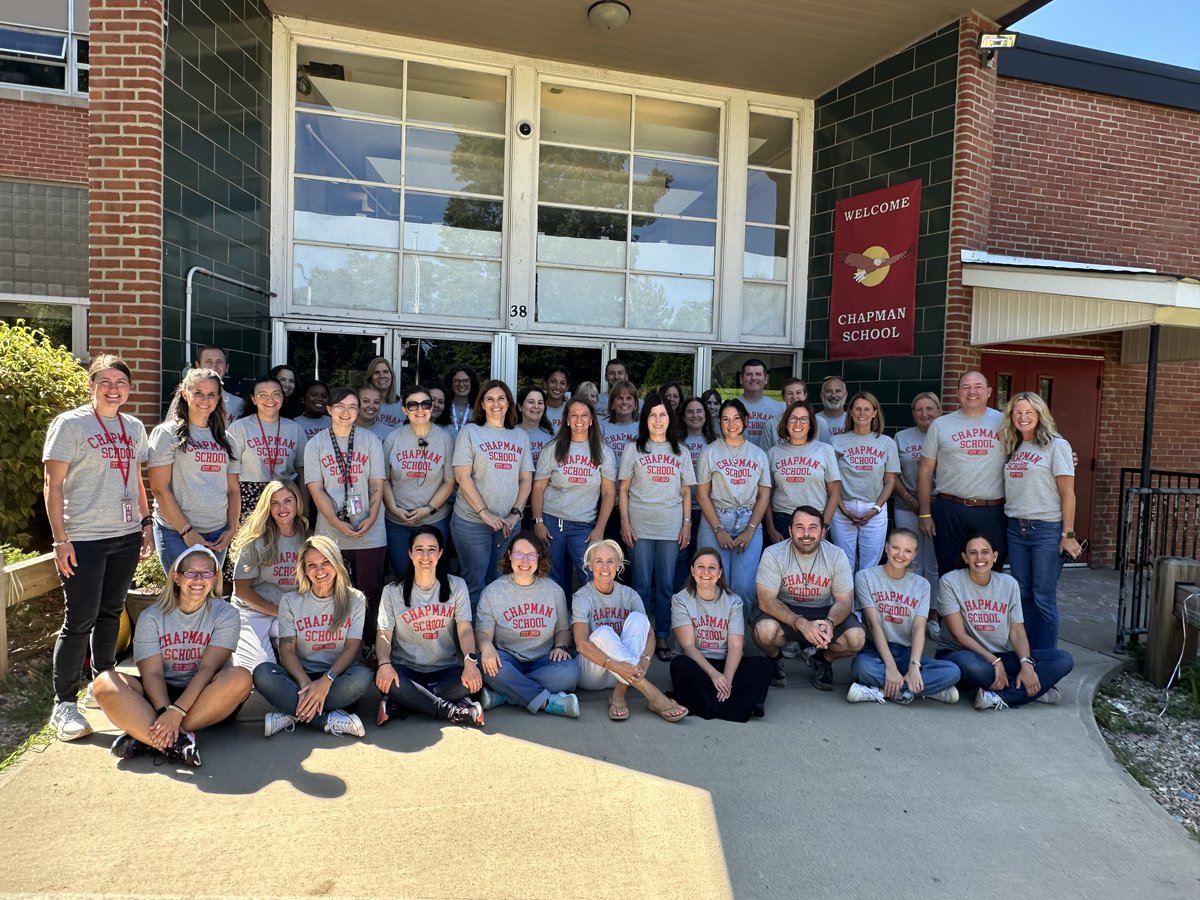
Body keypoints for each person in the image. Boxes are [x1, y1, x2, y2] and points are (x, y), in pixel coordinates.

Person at [43, 355, 153, 741]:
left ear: (129, 389)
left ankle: (101, 683)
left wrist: (145, 523)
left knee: (111, 612)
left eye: (120, 383)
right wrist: (61, 540)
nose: (113, 389)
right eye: (105, 382)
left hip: (125, 535)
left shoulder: (133, 427)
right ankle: (64, 703)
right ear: (91, 385)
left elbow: (136, 479)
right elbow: (53, 484)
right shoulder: (70, 424)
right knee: (80, 619)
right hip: (84, 537)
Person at [94, 546, 251, 767]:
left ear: (215, 577)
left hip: (207, 695)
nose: (199, 579)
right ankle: (176, 742)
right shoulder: (151, 617)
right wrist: (164, 711)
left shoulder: (226, 614)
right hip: (159, 694)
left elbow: (208, 669)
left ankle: (147, 736)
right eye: (191, 572)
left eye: (206, 573)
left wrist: (177, 713)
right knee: (104, 682)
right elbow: (152, 674)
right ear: (177, 578)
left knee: (241, 677)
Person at [936, 534, 1074, 709]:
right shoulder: (950, 582)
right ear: (965, 557)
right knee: (971, 665)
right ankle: (1033, 689)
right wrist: (995, 662)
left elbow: (1017, 632)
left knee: (1062, 659)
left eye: (985, 552)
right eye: (973, 552)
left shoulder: (1008, 584)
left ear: (995, 556)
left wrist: (1026, 664)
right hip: (962, 654)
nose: (979, 558)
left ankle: (998, 695)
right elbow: (959, 635)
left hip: (1000, 655)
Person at [252, 536, 371, 737]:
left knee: (363, 676)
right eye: (312, 565)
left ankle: (292, 713)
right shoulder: (290, 601)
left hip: (337, 678)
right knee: (262, 673)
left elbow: (352, 647)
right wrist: (307, 685)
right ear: (304, 570)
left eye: (326, 562)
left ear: (336, 563)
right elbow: (286, 651)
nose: (320, 570)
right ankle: (326, 720)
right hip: (300, 678)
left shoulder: (355, 599)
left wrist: (326, 681)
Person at [374, 526, 484, 726]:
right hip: (406, 670)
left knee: (473, 679)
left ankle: (406, 702)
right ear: (410, 553)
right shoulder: (392, 591)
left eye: (432, 549)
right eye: (419, 549)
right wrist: (384, 664)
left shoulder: (457, 586)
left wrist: (470, 662)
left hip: (446, 670)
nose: (425, 556)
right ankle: (452, 710)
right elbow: (383, 634)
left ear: (440, 553)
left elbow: (465, 629)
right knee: (386, 678)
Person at [570, 541, 687, 722]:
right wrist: (618, 667)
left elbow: (649, 634)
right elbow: (581, 644)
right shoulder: (582, 596)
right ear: (589, 566)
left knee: (639, 619)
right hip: (594, 673)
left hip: (625, 674)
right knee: (604, 632)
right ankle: (652, 693)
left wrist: (643, 662)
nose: (605, 567)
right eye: (599, 561)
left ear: (619, 565)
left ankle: (619, 693)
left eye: (610, 561)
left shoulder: (630, 595)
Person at [304, 386, 386, 643]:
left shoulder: (370, 440)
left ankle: (368, 644)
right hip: (332, 533)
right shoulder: (315, 444)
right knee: (337, 590)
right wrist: (336, 523)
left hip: (370, 530)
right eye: (340, 406)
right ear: (329, 409)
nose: (346, 412)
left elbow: (377, 483)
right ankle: (339, 643)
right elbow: (316, 489)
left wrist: (371, 518)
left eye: (352, 407)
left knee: (370, 591)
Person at [1001, 391, 1083, 650]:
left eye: (1029, 412)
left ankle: (1046, 659)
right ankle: (1026, 655)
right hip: (1016, 527)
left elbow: (1068, 493)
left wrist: (1068, 534)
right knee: (1022, 596)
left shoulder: (1057, 445)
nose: (1023, 417)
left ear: (1040, 414)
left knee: (1043, 598)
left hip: (1046, 529)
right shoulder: (1012, 445)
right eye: (1017, 412)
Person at [752, 505, 865, 690]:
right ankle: (774, 657)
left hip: (823, 612)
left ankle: (822, 659)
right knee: (764, 631)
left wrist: (830, 623)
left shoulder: (836, 555)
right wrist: (801, 623)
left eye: (813, 528)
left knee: (856, 639)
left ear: (822, 532)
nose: (806, 534)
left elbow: (844, 601)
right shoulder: (773, 553)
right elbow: (766, 601)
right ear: (790, 531)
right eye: (800, 527)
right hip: (784, 611)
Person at [619, 392, 696, 661]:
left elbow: (686, 492)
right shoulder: (633, 449)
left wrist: (686, 525)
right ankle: (641, 637)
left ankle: (662, 635)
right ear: (645, 419)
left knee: (665, 586)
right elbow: (623, 489)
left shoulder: (681, 451)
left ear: (670, 418)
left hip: (670, 527)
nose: (658, 420)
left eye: (663, 414)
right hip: (640, 526)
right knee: (640, 585)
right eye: (652, 415)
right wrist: (625, 523)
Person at [846, 528, 961, 704]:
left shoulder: (922, 585)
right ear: (886, 547)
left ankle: (882, 692)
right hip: (875, 651)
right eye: (895, 548)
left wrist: (914, 667)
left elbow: (919, 628)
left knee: (952, 671)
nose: (900, 555)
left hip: (906, 652)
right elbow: (874, 624)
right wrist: (890, 667)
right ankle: (923, 690)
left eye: (908, 551)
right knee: (861, 667)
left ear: (914, 555)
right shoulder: (865, 577)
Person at [475, 533, 581, 716]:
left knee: (571, 672)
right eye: (519, 554)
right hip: (508, 660)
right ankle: (548, 702)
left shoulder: (553, 590)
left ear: (539, 557)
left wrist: (561, 646)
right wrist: (486, 647)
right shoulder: (492, 592)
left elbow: (563, 630)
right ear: (509, 555)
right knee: (487, 665)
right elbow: (483, 634)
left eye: (531, 555)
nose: (525, 561)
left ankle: (506, 694)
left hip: (544, 659)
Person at [451, 379, 534, 609]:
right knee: (475, 583)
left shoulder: (520, 436)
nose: (496, 404)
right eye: (490, 399)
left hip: (508, 523)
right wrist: (484, 513)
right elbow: (462, 477)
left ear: (509, 403)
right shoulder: (470, 432)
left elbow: (526, 480)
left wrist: (515, 515)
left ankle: (495, 628)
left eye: (501, 398)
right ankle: (472, 630)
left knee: (501, 581)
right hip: (472, 522)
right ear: (482, 405)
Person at [148, 368, 241, 571]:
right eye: (198, 392)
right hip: (176, 532)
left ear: (219, 398)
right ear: (184, 393)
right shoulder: (166, 433)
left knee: (208, 589)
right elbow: (159, 489)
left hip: (217, 533)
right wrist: (187, 531)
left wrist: (232, 528)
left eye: (211, 394)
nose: (205, 400)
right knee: (182, 588)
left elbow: (233, 490)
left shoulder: (226, 439)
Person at [917, 371, 1008, 574]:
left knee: (991, 571)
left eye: (978, 386)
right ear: (958, 393)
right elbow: (925, 470)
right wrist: (924, 513)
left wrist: (1064, 454)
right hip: (949, 509)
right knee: (949, 571)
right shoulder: (940, 425)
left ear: (989, 392)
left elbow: (1033, 442)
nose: (972, 392)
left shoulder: (1005, 423)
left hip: (992, 511)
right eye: (966, 387)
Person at [670, 548, 773, 721]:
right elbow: (687, 647)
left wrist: (727, 680)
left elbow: (736, 645)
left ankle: (705, 704)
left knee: (765, 666)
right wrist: (714, 675)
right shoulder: (681, 600)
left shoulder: (733, 601)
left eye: (712, 567)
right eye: (700, 567)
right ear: (692, 571)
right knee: (679, 665)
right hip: (698, 664)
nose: (706, 572)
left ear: (719, 573)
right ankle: (738, 706)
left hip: (726, 664)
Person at [531, 398, 617, 600]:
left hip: (584, 525)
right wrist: (538, 522)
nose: (579, 420)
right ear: (567, 420)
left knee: (591, 576)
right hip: (552, 522)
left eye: (584, 415)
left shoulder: (603, 452)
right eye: (574, 415)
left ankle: (589, 618)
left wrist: (600, 529)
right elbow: (538, 487)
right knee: (552, 579)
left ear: (591, 419)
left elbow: (608, 493)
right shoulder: (552, 449)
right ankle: (559, 619)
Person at [696, 399, 772, 614]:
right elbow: (702, 495)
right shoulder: (709, 452)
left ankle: (740, 631)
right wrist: (718, 529)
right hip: (715, 519)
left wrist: (750, 530)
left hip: (749, 521)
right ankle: (714, 630)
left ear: (746, 420)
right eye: (725, 419)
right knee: (714, 582)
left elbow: (764, 496)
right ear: (719, 422)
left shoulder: (758, 454)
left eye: (736, 418)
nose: (731, 424)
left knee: (744, 586)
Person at [229, 479, 308, 670]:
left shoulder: (306, 537)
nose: (282, 508)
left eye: (288, 501)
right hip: (252, 612)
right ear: (268, 507)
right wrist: (279, 613)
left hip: (288, 611)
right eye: (275, 503)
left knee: (309, 658)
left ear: (297, 502)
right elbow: (241, 591)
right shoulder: (255, 540)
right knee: (260, 670)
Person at [382, 385, 456, 580]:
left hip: (434, 519)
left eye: (425, 404)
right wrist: (394, 509)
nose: (420, 409)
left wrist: (428, 509)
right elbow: (384, 480)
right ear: (404, 410)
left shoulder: (445, 439)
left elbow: (449, 481)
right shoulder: (393, 438)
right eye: (413, 405)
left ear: (431, 407)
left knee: (433, 574)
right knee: (402, 573)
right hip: (397, 520)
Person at [829, 392, 900, 574]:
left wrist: (876, 509)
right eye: (858, 409)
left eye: (867, 409)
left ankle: (865, 595)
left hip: (874, 508)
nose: (862, 413)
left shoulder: (887, 443)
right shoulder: (836, 441)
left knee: (870, 566)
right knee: (844, 564)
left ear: (875, 412)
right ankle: (847, 595)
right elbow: (831, 481)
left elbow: (890, 481)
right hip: (843, 508)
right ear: (850, 412)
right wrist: (842, 509)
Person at [227, 375, 304, 519]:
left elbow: (302, 473)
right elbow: (231, 476)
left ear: (282, 397)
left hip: (285, 497)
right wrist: (233, 518)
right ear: (253, 399)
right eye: (263, 395)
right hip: (249, 496)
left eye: (276, 394)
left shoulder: (295, 429)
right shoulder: (239, 428)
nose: (270, 399)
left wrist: (304, 511)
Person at [766, 400, 841, 546]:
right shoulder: (773, 453)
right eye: (793, 418)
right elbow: (766, 495)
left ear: (811, 424)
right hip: (782, 520)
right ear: (785, 423)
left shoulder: (825, 450)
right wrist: (771, 529)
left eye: (803, 419)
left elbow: (835, 493)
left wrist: (824, 526)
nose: (798, 423)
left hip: (815, 520)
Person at [893, 392, 942, 601]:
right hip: (906, 504)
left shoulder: (945, 434)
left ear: (939, 411)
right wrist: (910, 499)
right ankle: (911, 606)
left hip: (937, 504)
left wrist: (930, 503)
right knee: (908, 558)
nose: (924, 413)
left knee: (933, 561)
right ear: (913, 413)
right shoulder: (901, 437)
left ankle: (932, 610)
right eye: (919, 409)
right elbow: (892, 474)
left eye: (929, 408)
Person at [676, 397, 715, 589]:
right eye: (690, 411)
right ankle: (680, 595)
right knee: (682, 555)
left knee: (703, 556)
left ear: (706, 415)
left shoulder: (715, 442)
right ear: (683, 417)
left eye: (699, 411)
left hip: (707, 510)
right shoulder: (675, 442)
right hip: (682, 509)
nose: (695, 415)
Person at [737, 358, 784, 444]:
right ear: (741, 378)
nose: (754, 378)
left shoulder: (780, 408)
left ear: (766, 379)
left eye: (758, 374)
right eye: (749, 374)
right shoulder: (732, 407)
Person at [755, 377, 807, 451]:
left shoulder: (818, 423)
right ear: (783, 397)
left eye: (798, 393)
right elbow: (764, 454)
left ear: (805, 395)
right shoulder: (771, 425)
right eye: (789, 393)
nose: (794, 397)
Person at [196, 345, 244, 423]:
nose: (214, 367)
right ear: (198, 366)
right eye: (208, 362)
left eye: (219, 362)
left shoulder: (238, 404)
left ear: (227, 367)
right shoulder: (188, 399)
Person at [517, 385, 554, 470]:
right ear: (520, 406)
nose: (536, 406)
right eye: (531, 402)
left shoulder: (551, 435)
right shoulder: (511, 434)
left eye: (540, 403)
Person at [601, 380, 640, 459]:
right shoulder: (602, 427)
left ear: (635, 403)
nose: (624, 402)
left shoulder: (642, 427)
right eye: (620, 398)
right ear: (612, 404)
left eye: (629, 398)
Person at [364, 356, 405, 429]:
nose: (382, 376)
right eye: (376, 373)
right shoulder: (363, 406)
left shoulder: (403, 406)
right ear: (371, 379)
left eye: (385, 372)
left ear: (391, 376)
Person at [441, 365, 479, 435]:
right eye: (456, 381)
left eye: (466, 381)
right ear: (451, 384)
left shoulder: (478, 409)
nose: (461, 384)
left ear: (472, 383)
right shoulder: (443, 407)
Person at [815, 375, 848, 442]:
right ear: (821, 395)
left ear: (845, 394)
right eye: (828, 391)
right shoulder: (813, 420)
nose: (833, 395)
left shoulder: (854, 421)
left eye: (838, 391)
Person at [543, 365, 570, 432]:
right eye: (553, 381)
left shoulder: (570, 410)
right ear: (545, 384)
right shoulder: (537, 409)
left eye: (562, 383)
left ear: (567, 387)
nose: (557, 387)